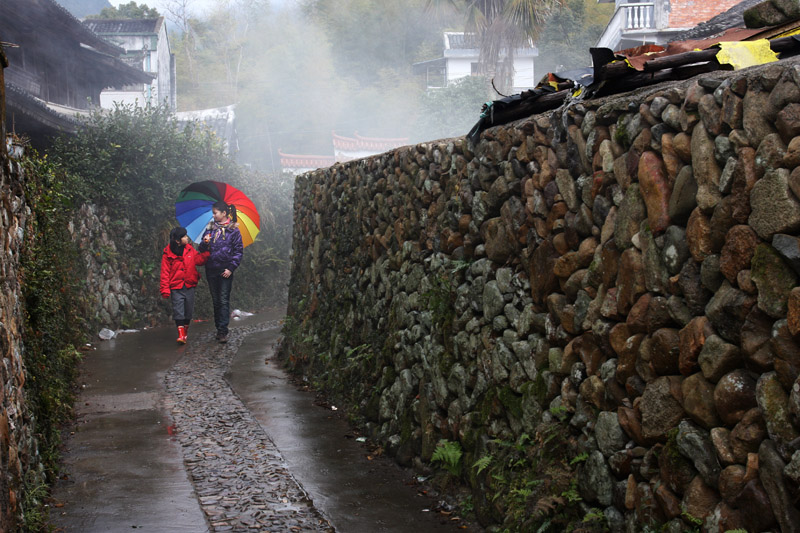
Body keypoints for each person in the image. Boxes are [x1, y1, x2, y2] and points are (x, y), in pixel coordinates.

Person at [199, 201, 243, 343]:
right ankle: (219, 327)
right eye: (213, 213)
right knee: (216, 300)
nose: (213, 215)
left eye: (215, 213)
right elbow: (201, 250)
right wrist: (205, 242)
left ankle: (223, 331)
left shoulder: (234, 230)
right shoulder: (210, 228)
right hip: (211, 269)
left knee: (223, 300)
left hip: (225, 270)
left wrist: (231, 268)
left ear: (224, 213)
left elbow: (238, 252)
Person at [160, 226, 209, 344]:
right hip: (176, 287)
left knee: (188, 311)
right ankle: (181, 335)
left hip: (189, 285)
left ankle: (185, 332)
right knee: (178, 311)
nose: (187, 238)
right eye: (185, 236)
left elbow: (198, 260)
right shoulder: (167, 253)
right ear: (177, 240)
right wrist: (165, 289)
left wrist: (207, 251)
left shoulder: (190, 249)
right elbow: (165, 272)